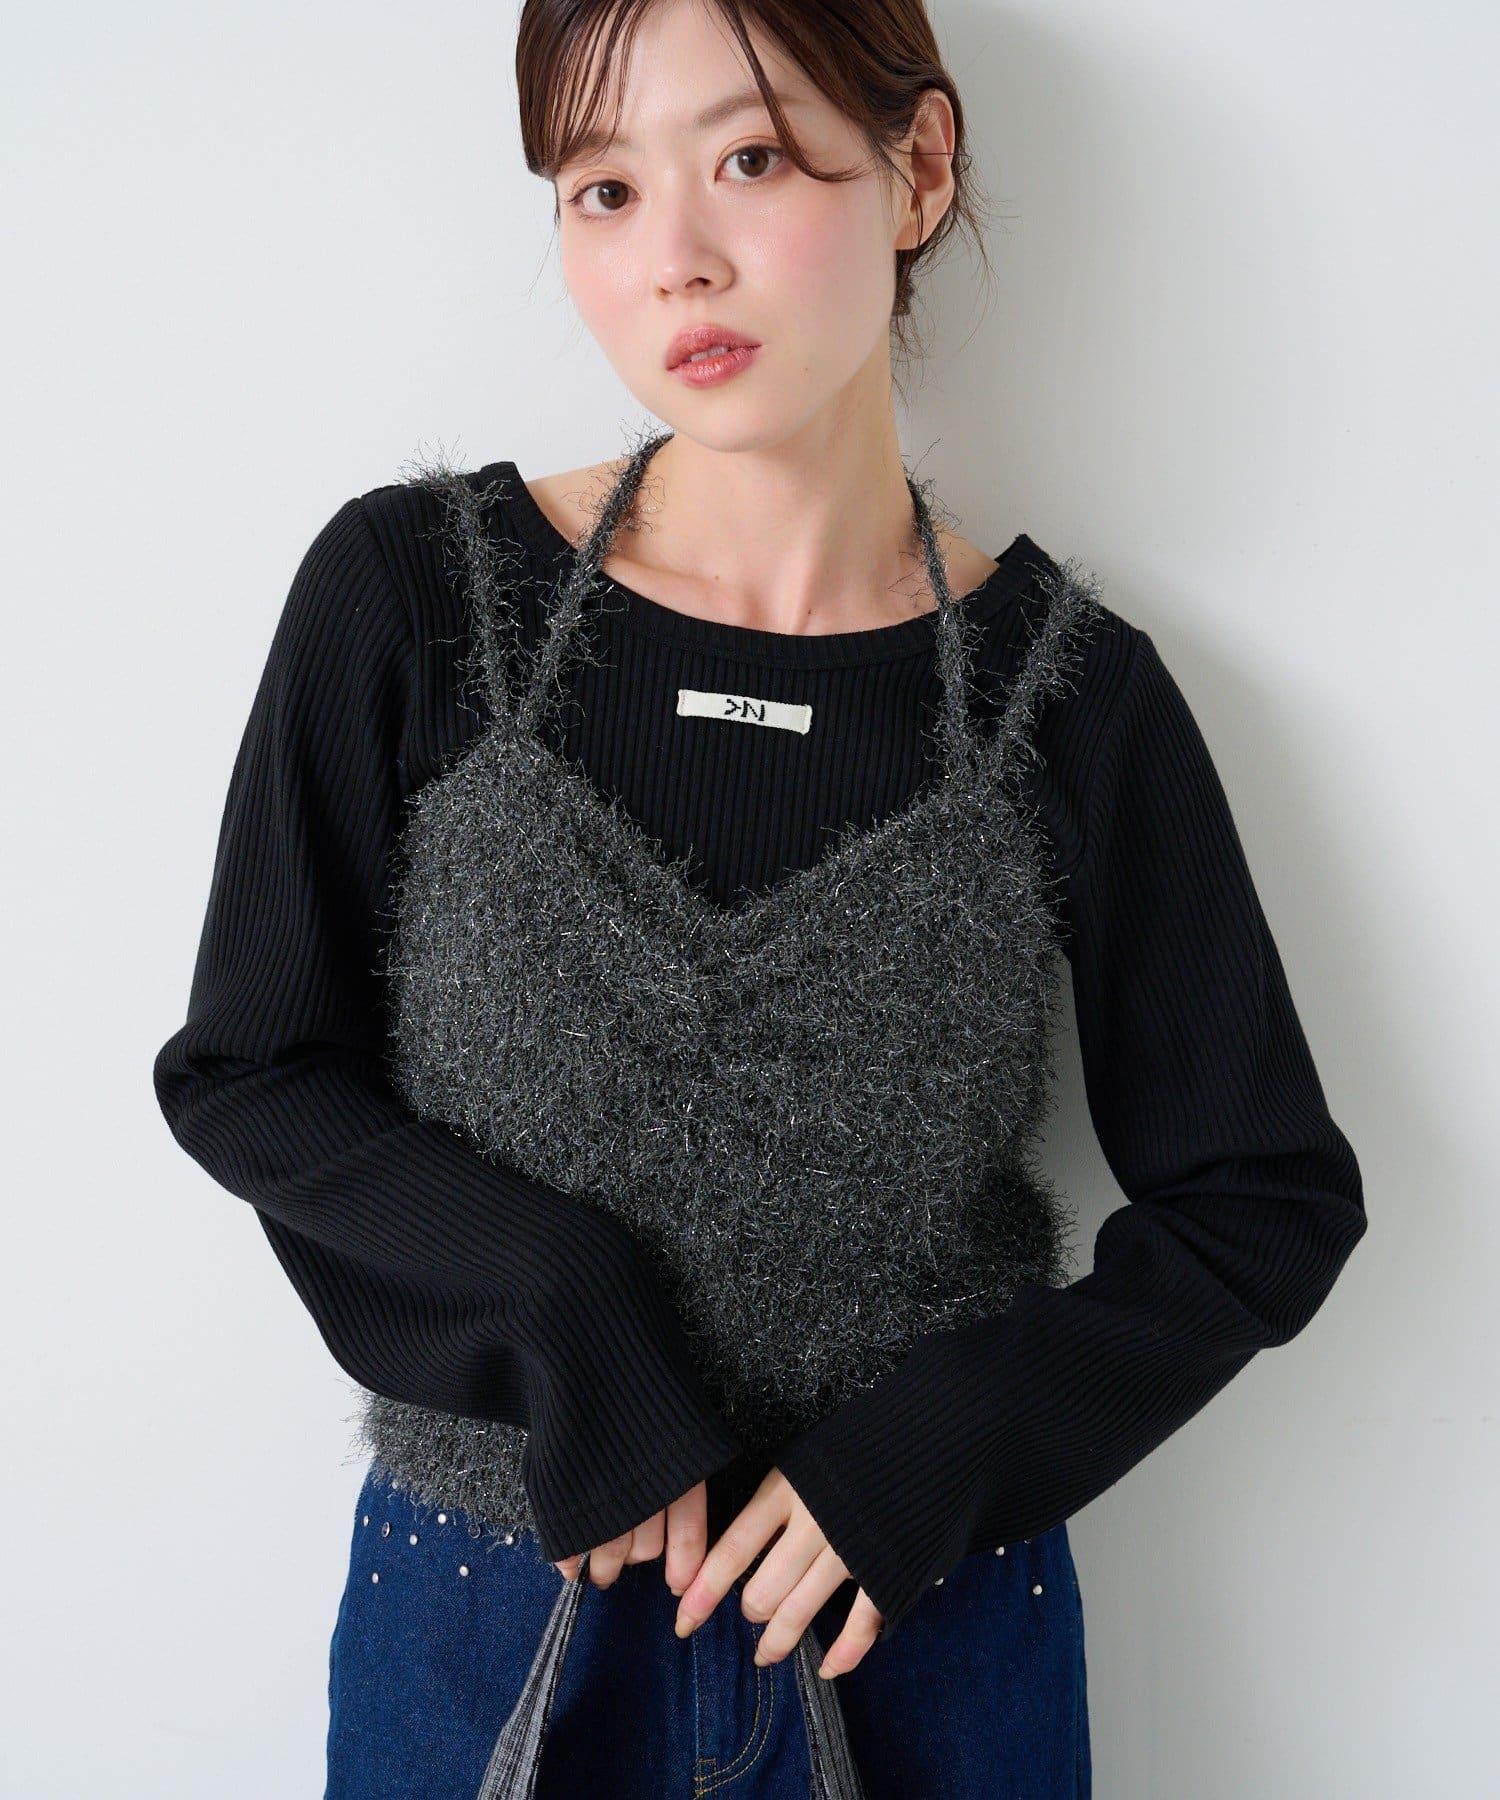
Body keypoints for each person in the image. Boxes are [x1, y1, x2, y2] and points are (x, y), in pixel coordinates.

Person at [151, 2, 1368, 1794]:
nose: (678, 259)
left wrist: (952, 1442)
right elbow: (252, 1068)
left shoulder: (1072, 700)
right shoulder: (413, 598)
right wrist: (560, 1304)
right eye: (603, 190)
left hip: (919, 1632)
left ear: (918, 168)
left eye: (749, 157)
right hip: (489, 1617)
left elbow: (1263, 1196)